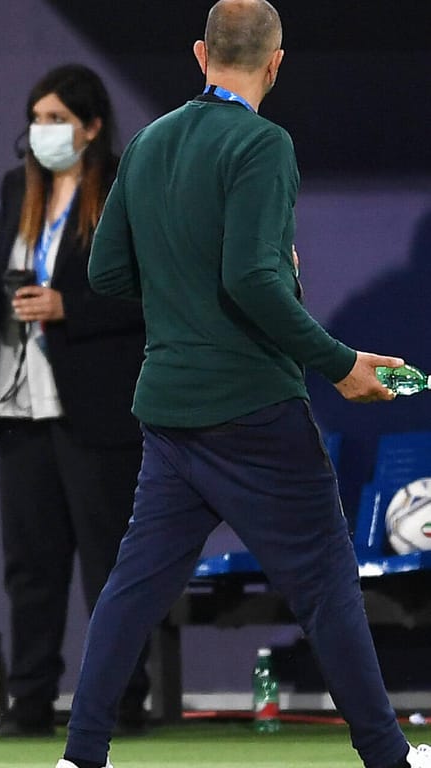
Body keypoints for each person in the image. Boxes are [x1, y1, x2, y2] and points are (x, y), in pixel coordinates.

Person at [57, 2, 431, 767]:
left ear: (201, 54)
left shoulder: (151, 142)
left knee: (132, 590)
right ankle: (389, 758)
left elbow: (105, 273)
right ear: (276, 63)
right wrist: (339, 363)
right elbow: (253, 278)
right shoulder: (264, 144)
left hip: (169, 413)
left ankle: (80, 755)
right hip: (254, 410)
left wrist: (184, 294)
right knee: (328, 584)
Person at [0, 64, 148, 737]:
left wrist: (70, 305)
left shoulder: (126, 186)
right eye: (36, 120)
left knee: (109, 564)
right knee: (31, 568)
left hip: (96, 407)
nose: (43, 133)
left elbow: (150, 288)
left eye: (57, 121)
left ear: (92, 126)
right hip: (21, 409)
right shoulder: (22, 187)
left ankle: (123, 699)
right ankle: (30, 703)